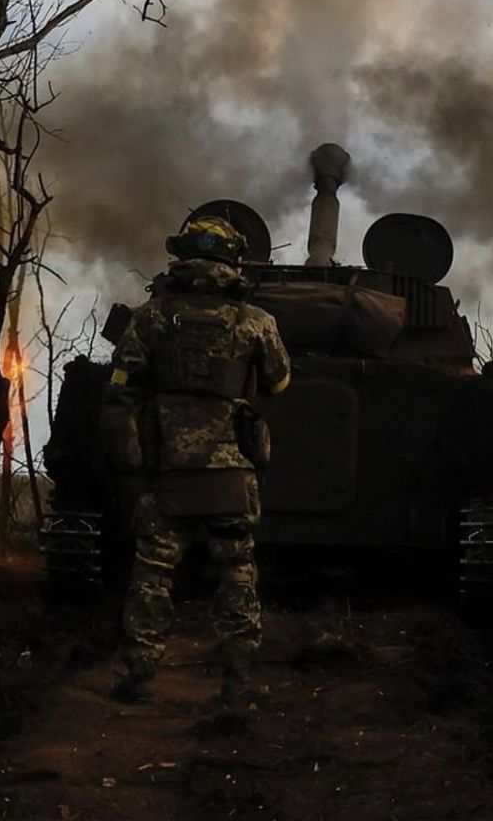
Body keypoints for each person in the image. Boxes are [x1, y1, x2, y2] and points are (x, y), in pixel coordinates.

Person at [102, 215, 291, 706]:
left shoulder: (152, 318)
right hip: (232, 472)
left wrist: (131, 463)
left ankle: (141, 674)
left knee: (152, 573)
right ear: (234, 261)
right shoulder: (256, 322)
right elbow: (279, 383)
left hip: (167, 472)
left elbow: (121, 392)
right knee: (238, 572)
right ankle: (238, 680)